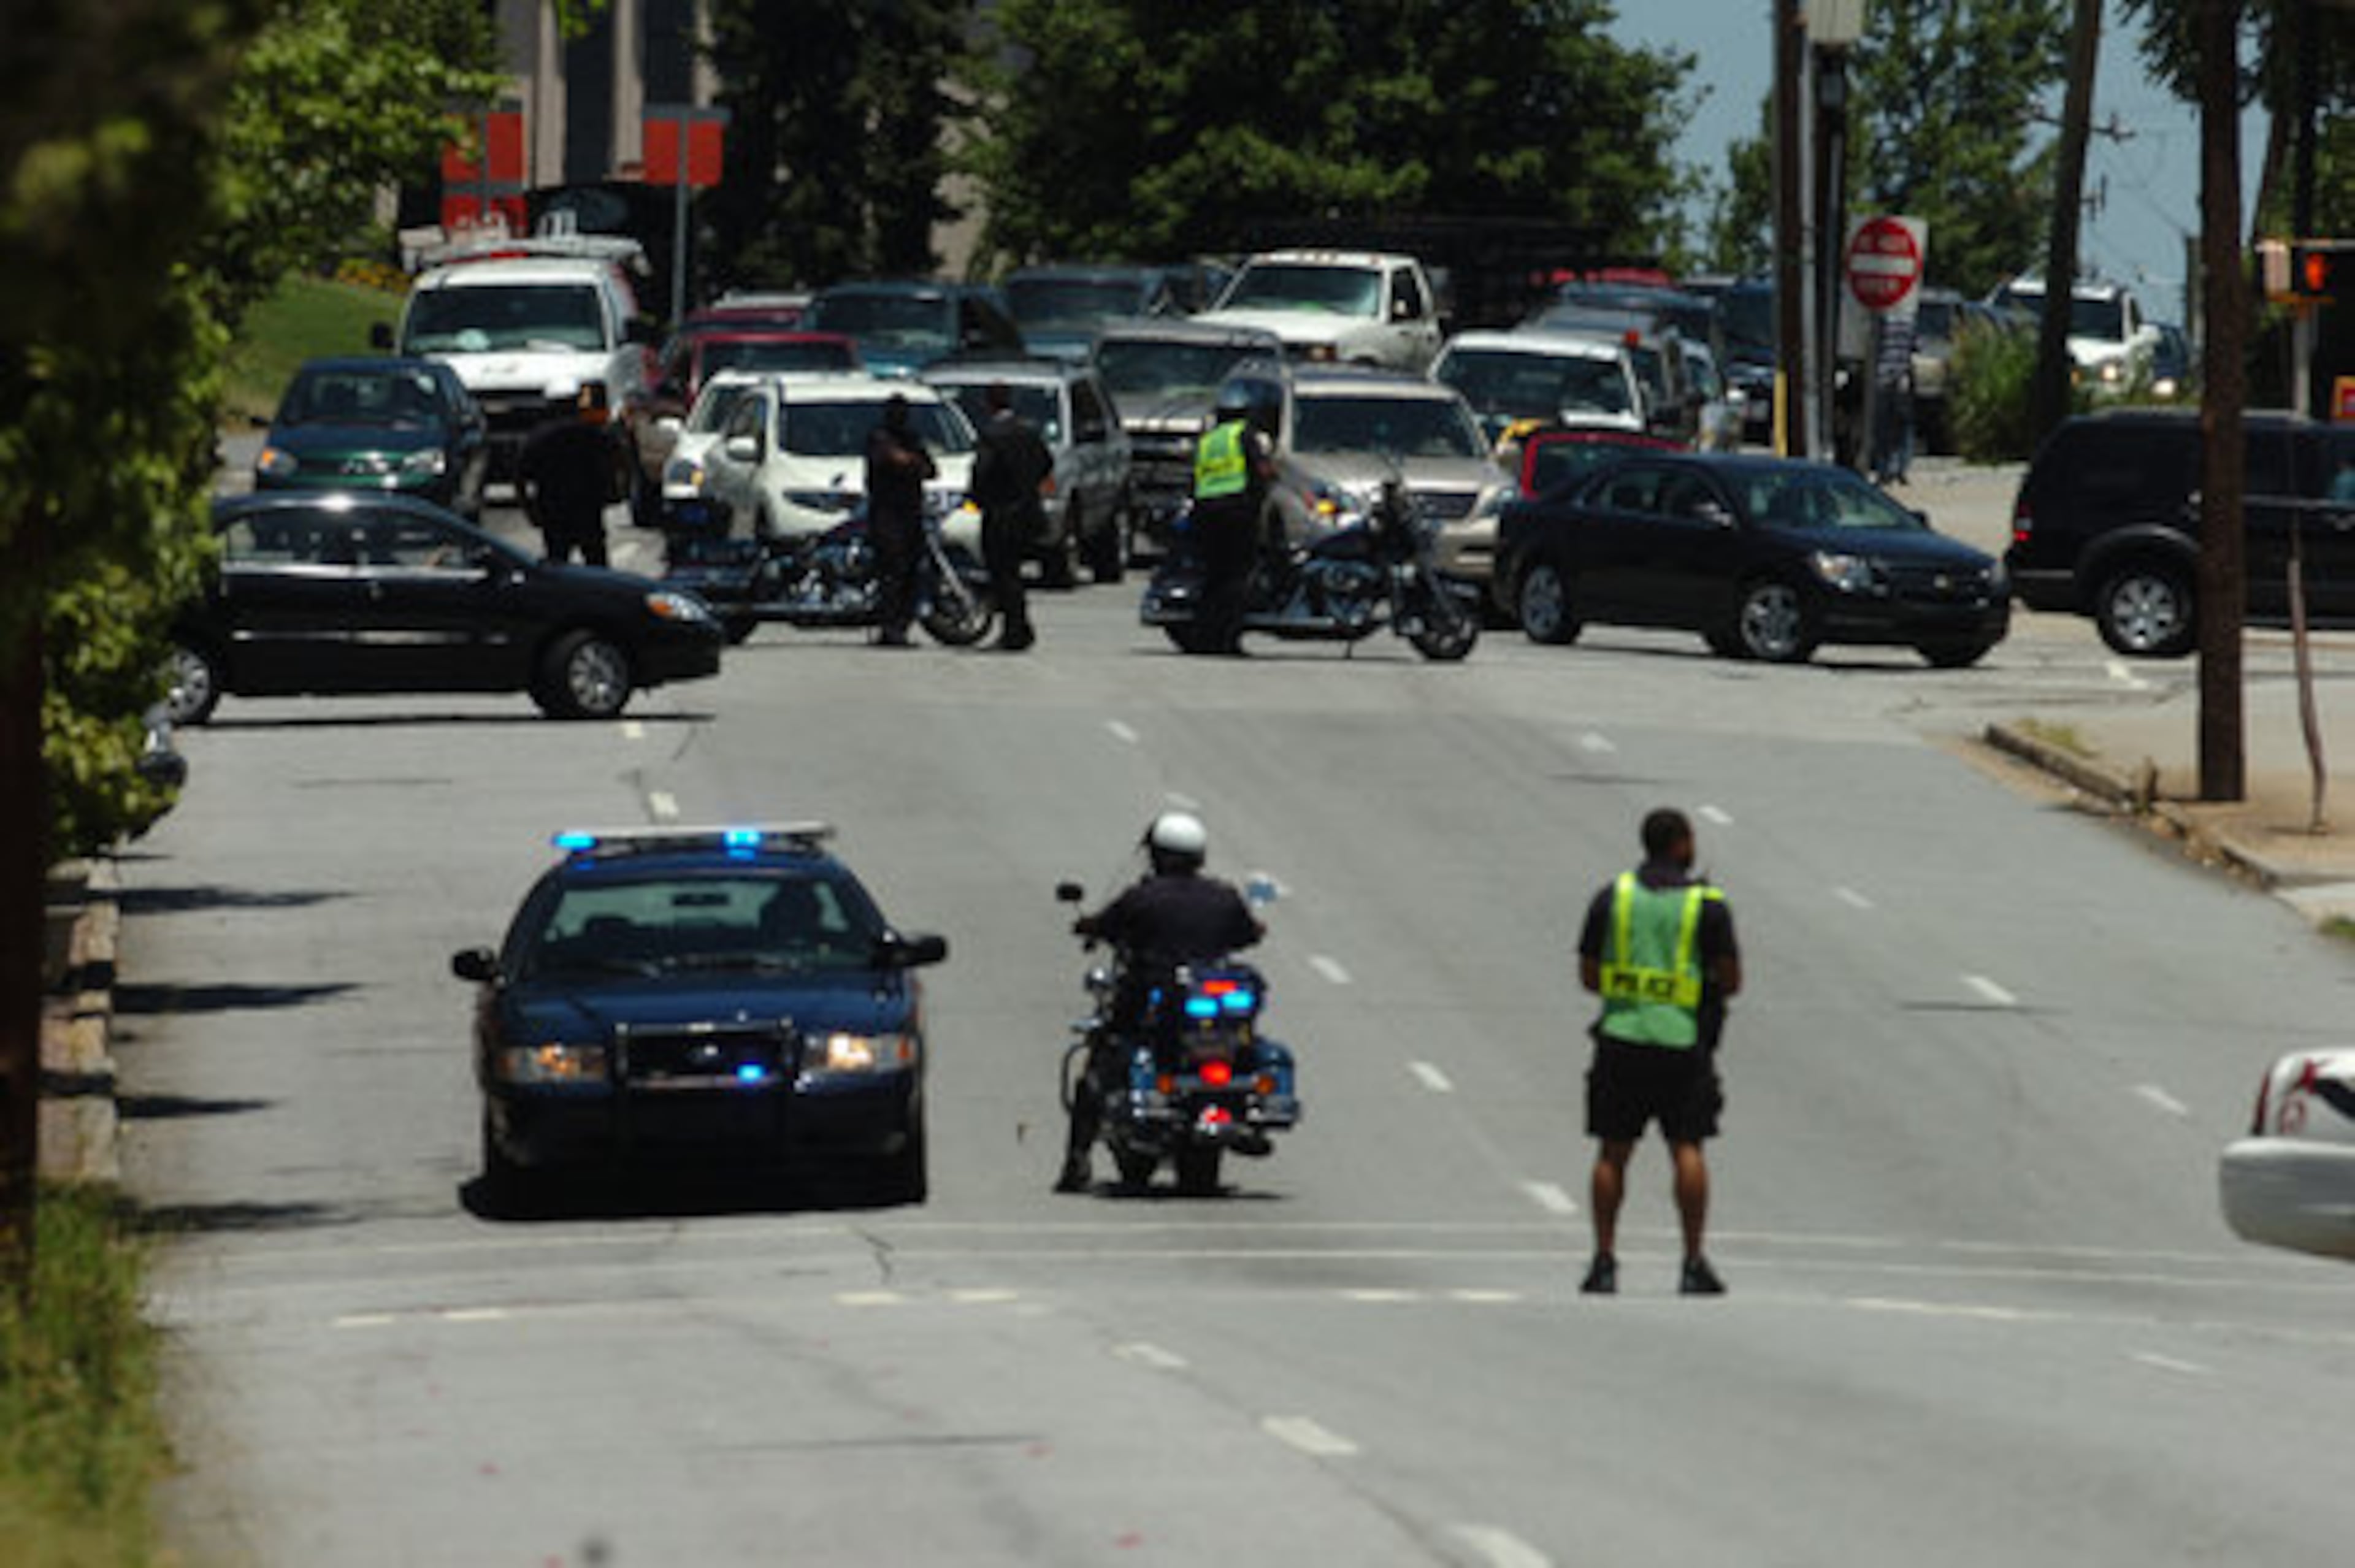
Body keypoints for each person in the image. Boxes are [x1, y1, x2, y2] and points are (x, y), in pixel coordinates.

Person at [1574, 806, 1742, 1296]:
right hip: (1682, 1043)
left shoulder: (1614, 898)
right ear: (1682, 844)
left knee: (1612, 1152)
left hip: (1621, 1038)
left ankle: (1603, 1261)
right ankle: (1692, 1262)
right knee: (1687, 1147)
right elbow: (1732, 981)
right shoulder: (1708, 906)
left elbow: (1588, 975)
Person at [1059, 811, 1265, 1192]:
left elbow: (1106, 925)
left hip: (1154, 999)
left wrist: (1087, 925)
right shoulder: (1224, 897)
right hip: (1213, 1004)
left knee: (1102, 1055)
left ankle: (1077, 1160)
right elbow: (1249, 934)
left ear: (1157, 855)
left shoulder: (1142, 898)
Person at [1188, 388, 1279, 655]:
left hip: (1206, 512)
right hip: (1237, 512)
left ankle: (1204, 637)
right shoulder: (1244, 435)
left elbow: (1194, 479)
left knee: (1213, 577)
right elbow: (1262, 470)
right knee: (1238, 577)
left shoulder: (1208, 440)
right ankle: (1228, 638)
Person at [969, 382, 1052, 651]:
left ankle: (1015, 631)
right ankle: (1020, 627)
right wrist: (1028, 487)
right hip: (1028, 512)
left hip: (1002, 514)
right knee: (1013, 574)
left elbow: (983, 472)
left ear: (988, 403)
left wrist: (979, 498)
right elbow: (1046, 463)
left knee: (1003, 575)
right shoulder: (1028, 432)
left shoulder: (992, 435)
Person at [518, 381, 624, 567]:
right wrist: (613, 492)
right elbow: (617, 461)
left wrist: (529, 508)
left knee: (557, 566)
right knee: (596, 563)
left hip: (554, 511)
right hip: (587, 509)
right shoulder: (593, 434)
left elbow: (520, 477)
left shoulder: (538, 438)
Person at [865, 393, 936, 647]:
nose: (900, 418)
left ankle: (903, 624)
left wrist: (910, 461)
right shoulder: (879, 437)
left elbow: (929, 468)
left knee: (912, 571)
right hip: (886, 513)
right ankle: (889, 626)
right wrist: (905, 461)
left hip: (911, 512)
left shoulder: (912, 438)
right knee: (891, 571)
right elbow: (889, 460)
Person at [1871, 310, 1917, 486]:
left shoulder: (1880, 319)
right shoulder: (1908, 320)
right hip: (1901, 379)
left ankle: (1886, 470)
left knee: (1884, 427)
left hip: (1882, 377)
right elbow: (1914, 348)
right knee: (1902, 427)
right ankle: (1900, 469)